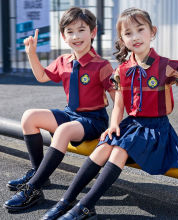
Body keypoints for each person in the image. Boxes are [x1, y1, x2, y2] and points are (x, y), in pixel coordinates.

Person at [38, 7, 178, 220]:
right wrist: (113, 125)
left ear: (152, 32)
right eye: (128, 33)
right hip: (131, 125)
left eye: (140, 30)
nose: (135, 37)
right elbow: (119, 104)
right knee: (103, 146)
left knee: (118, 151)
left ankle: (85, 206)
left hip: (155, 130)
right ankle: (66, 201)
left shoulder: (166, 66)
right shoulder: (123, 69)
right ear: (122, 39)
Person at [3, 6, 115, 212]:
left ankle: (33, 188)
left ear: (93, 32)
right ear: (64, 36)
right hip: (71, 114)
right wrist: (31, 54)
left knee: (62, 131)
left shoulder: (102, 65)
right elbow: (42, 77)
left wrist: (117, 125)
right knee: (29, 116)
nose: (76, 36)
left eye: (81, 30)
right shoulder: (63, 61)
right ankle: (39, 175)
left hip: (93, 120)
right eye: (70, 31)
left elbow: (118, 97)